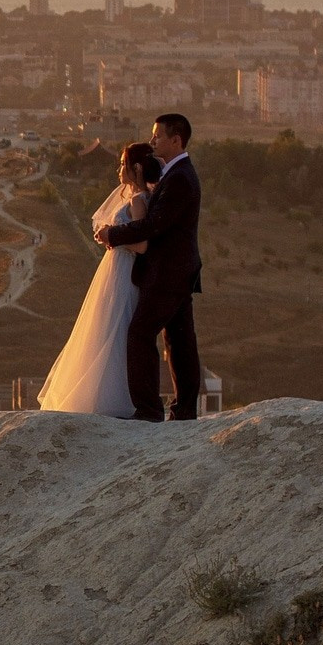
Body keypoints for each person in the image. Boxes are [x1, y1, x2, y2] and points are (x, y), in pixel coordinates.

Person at [97, 112, 204, 421]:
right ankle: (183, 411)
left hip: (169, 274)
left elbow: (155, 225)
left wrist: (112, 234)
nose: (153, 140)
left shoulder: (181, 177)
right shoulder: (173, 175)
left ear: (176, 140)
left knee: (141, 334)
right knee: (180, 340)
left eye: (158, 136)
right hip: (176, 272)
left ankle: (149, 410)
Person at [38, 142, 159, 416]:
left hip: (125, 272)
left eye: (123, 164)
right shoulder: (132, 196)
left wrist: (111, 238)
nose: (119, 169)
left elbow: (141, 246)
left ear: (135, 168)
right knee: (104, 327)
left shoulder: (139, 200)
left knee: (116, 329)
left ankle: (112, 398)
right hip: (114, 269)